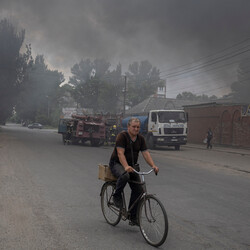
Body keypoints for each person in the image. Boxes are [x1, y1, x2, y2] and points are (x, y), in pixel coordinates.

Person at [109, 117, 159, 226]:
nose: (136, 129)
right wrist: (126, 166)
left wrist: (153, 165)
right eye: (134, 127)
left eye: (138, 127)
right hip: (117, 163)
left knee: (139, 190)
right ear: (128, 127)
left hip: (132, 166)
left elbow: (146, 153)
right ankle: (116, 196)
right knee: (125, 176)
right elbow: (120, 153)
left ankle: (132, 216)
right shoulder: (122, 136)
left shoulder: (140, 139)